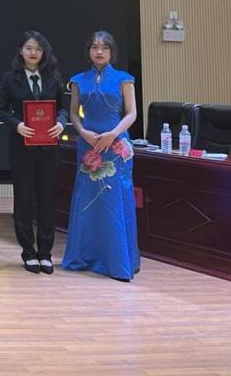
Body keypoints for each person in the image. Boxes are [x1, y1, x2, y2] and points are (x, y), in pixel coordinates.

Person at [62, 30, 140, 281]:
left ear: (111, 52)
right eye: (95, 47)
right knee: (87, 198)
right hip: (89, 144)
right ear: (88, 51)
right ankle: (85, 257)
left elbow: (132, 113)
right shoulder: (78, 80)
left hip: (116, 146)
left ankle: (119, 262)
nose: (99, 51)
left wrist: (113, 134)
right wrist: (82, 131)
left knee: (116, 198)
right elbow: (73, 113)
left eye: (104, 47)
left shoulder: (124, 79)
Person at [0, 30, 67, 274]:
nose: (33, 52)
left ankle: (45, 253)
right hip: (21, 148)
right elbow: (1, 110)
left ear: (44, 51)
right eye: (28, 48)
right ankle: (28, 251)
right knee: (23, 199)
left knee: (47, 198)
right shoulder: (9, 78)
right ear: (21, 51)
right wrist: (17, 125)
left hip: (48, 148)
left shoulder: (53, 77)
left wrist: (61, 122)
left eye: (37, 48)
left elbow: (62, 108)